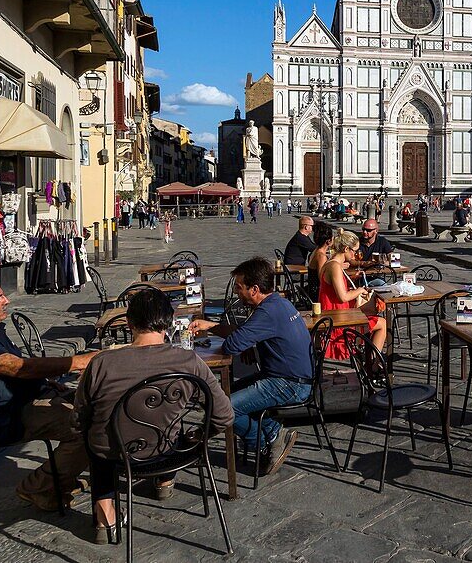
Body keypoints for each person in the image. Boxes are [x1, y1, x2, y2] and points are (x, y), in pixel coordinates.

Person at [74, 289, 233, 542]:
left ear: (129, 323)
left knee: (96, 438)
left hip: (114, 454)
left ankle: (106, 518)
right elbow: (224, 416)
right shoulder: (189, 361)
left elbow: (80, 416)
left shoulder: (102, 363)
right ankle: (164, 483)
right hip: (167, 451)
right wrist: (201, 435)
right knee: (168, 422)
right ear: (169, 323)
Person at [0, 277, 98, 511]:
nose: (6, 300)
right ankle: (39, 486)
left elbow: (22, 372)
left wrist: (49, 384)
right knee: (87, 427)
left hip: (22, 402)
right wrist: (79, 361)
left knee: (99, 405)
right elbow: (21, 368)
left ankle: (63, 476)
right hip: (1, 418)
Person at [188, 257, 312, 477]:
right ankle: (269, 432)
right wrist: (212, 326)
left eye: (239, 287)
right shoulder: (278, 303)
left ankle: (269, 439)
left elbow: (232, 345)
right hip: (285, 377)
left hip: (289, 384)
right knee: (215, 398)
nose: (237, 293)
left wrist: (244, 342)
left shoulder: (267, 313)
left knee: (223, 408)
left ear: (254, 289)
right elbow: (242, 334)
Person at [321, 230, 387, 357]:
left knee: (373, 312)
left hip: (333, 313)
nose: (355, 254)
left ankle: (369, 358)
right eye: (354, 251)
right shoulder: (335, 266)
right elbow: (342, 297)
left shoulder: (329, 263)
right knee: (382, 323)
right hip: (338, 318)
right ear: (346, 248)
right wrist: (360, 290)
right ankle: (373, 364)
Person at [306, 222, 335, 302]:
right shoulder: (321, 256)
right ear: (329, 241)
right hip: (317, 294)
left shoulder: (316, 251)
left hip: (312, 288)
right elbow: (322, 278)